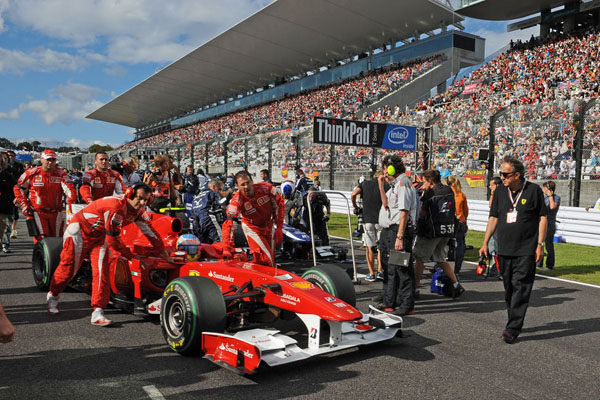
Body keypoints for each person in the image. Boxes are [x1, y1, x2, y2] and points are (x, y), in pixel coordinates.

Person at [46, 183, 168, 326]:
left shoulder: (139, 212)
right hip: (80, 231)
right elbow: (114, 242)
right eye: (139, 198)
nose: (142, 203)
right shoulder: (115, 207)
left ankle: (98, 311)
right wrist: (131, 256)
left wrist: (165, 254)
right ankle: (53, 295)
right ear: (129, 194)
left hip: (101, 236)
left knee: (102, 272)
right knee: (69, 268)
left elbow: (151, 233)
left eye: (146, 200)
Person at [479, 156, 547, 344]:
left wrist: (540, 244)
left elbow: (543, 218)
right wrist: (485, 243)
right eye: (500, 174)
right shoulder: (500, 191)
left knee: (521, 287)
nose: (502, 177)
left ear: (517, 175)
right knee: (509, 288)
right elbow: (493, 218)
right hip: (504, 248)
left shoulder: (533, 190)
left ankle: (512, 328)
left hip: (526, 249)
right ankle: (513, 321)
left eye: (506, 174)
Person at [375, 155, 418, 316]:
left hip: (399, 232)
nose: (384, 173)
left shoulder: (403, 183)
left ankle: (407, 305)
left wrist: (400, 236)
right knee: (388, 267)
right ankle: (389, 301)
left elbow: (404, 211)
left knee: (402, 269)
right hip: (389, 231)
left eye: (385, 169)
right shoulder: (394, 185)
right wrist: (381, 185)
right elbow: (386, 204)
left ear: (392, 168)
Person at [413, 169, 464, 298]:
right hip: (447, 229)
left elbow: (422, 213)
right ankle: (456, 284)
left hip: (431, 231)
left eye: (424, 181)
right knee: (440, 258)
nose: (422, 183)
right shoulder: (448, 190)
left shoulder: (430, 193)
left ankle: (414, 289)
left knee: (419, 258)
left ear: (429, 181)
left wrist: (423, 194)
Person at [221, 171, 284, 267]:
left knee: (269, 259)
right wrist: (226, 247)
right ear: (237, 186)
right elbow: (229, 224)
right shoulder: (236, 200)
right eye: (242, 185)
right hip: (252, 227)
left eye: (248, 182)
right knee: (267, 260)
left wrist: (279, 227)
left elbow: (280, 205)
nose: (246, 186)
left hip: (268, 224)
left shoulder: (267, 188)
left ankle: (250, 272)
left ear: (252, 181)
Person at [13, 149, 77, 239]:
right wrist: (24, 204)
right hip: (38, 212)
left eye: (53, 160)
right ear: (42, 159)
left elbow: (71, 191)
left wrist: (71, 207)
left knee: (58, 240)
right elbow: (18, 188)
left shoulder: (61, 174)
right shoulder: (31, 173)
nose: (50, 162)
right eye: (48, 159)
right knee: (42, 240)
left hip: (56, 213)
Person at [351, 170, 384, 282]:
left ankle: (371, 273)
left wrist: (355, 206)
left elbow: (353, 194)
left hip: (368, 219)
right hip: (381, 219)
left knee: (369, 246)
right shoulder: (384, 185)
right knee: (380, 248)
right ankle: (380, 271)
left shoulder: (365, 184)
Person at [191, 178, 226, 244]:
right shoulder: (212, 193)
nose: (220, 192)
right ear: (213, 187)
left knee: (203, 245)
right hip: (209, 219)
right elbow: (217, 209)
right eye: (219, 189)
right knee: (220, 241)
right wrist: (221, 223)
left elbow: (192, 215)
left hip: (197, 223)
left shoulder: (196, 197)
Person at [447, 176, 468, 275]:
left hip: (450, 221)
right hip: (461, 220)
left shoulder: (447, 194)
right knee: (460, 245)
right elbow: (466, 211)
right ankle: (457, 268)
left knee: (442, 243)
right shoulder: (461, 195)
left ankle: (438, 266)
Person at [537, 181, 560, 270]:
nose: (543, 190)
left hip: (550, 223)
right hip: (541, 222)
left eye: (544, 188)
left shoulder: (556, 198)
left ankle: (550, 265)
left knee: (549, 244)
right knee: (539, 243)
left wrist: (550, 196)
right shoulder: (542, 197)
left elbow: (552, 207)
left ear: (548, 189)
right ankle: (539, 263)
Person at [1, 152, 17, 254]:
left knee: (7, 226)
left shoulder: (11, 172)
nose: (6, 160)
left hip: (7, 206)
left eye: (6, 158)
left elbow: (18, 186)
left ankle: (5, 244)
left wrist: (17, 197)